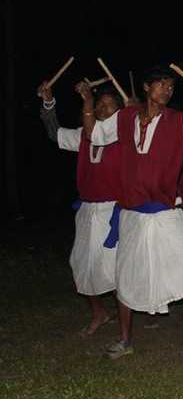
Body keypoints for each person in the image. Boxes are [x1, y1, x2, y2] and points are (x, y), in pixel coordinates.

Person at [81, 66, 183, 361]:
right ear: (147, 87)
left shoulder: (180, 121)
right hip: (132, 214)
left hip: (167, 214)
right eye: (161, 84)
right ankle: (125, 340)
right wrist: (86, 98)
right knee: (126, 275)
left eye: (171, 86)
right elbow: (93, 133)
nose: (167, 90)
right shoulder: (124, 118)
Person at [37, 80, 123, 337]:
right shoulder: (83, 136)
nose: (104, 110)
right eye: (100, 106)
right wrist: (48, 102)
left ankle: (125, 326)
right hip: (87, 210)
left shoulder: (126, 135)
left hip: (115, 211)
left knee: (115, 268)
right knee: (81, 264)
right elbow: (54, 133)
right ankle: (100, 312)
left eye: (110, 106)